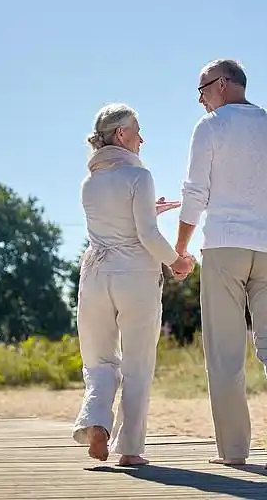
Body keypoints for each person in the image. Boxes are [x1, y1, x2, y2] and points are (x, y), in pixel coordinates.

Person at [174, 59, 267, 470]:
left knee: (224, 352)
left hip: (224, 245)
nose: (200, 100)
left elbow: (194, 192)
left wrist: (180, 247)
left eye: (202, 90)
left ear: (222, 84)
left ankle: (233, 450)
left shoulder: (210, 128)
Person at [72, 102, 195, 467]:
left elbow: (114, 226)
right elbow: (146, 235)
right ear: (122, 134)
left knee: (99, 360)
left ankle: (96, 422)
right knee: (137, 363)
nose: (142, 139)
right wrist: (177, 261)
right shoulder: (139, 176)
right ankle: (129, 449)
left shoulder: (89, 183)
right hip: (136, 278)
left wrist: (148, 211)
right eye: (138, 132)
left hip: (95, 277)